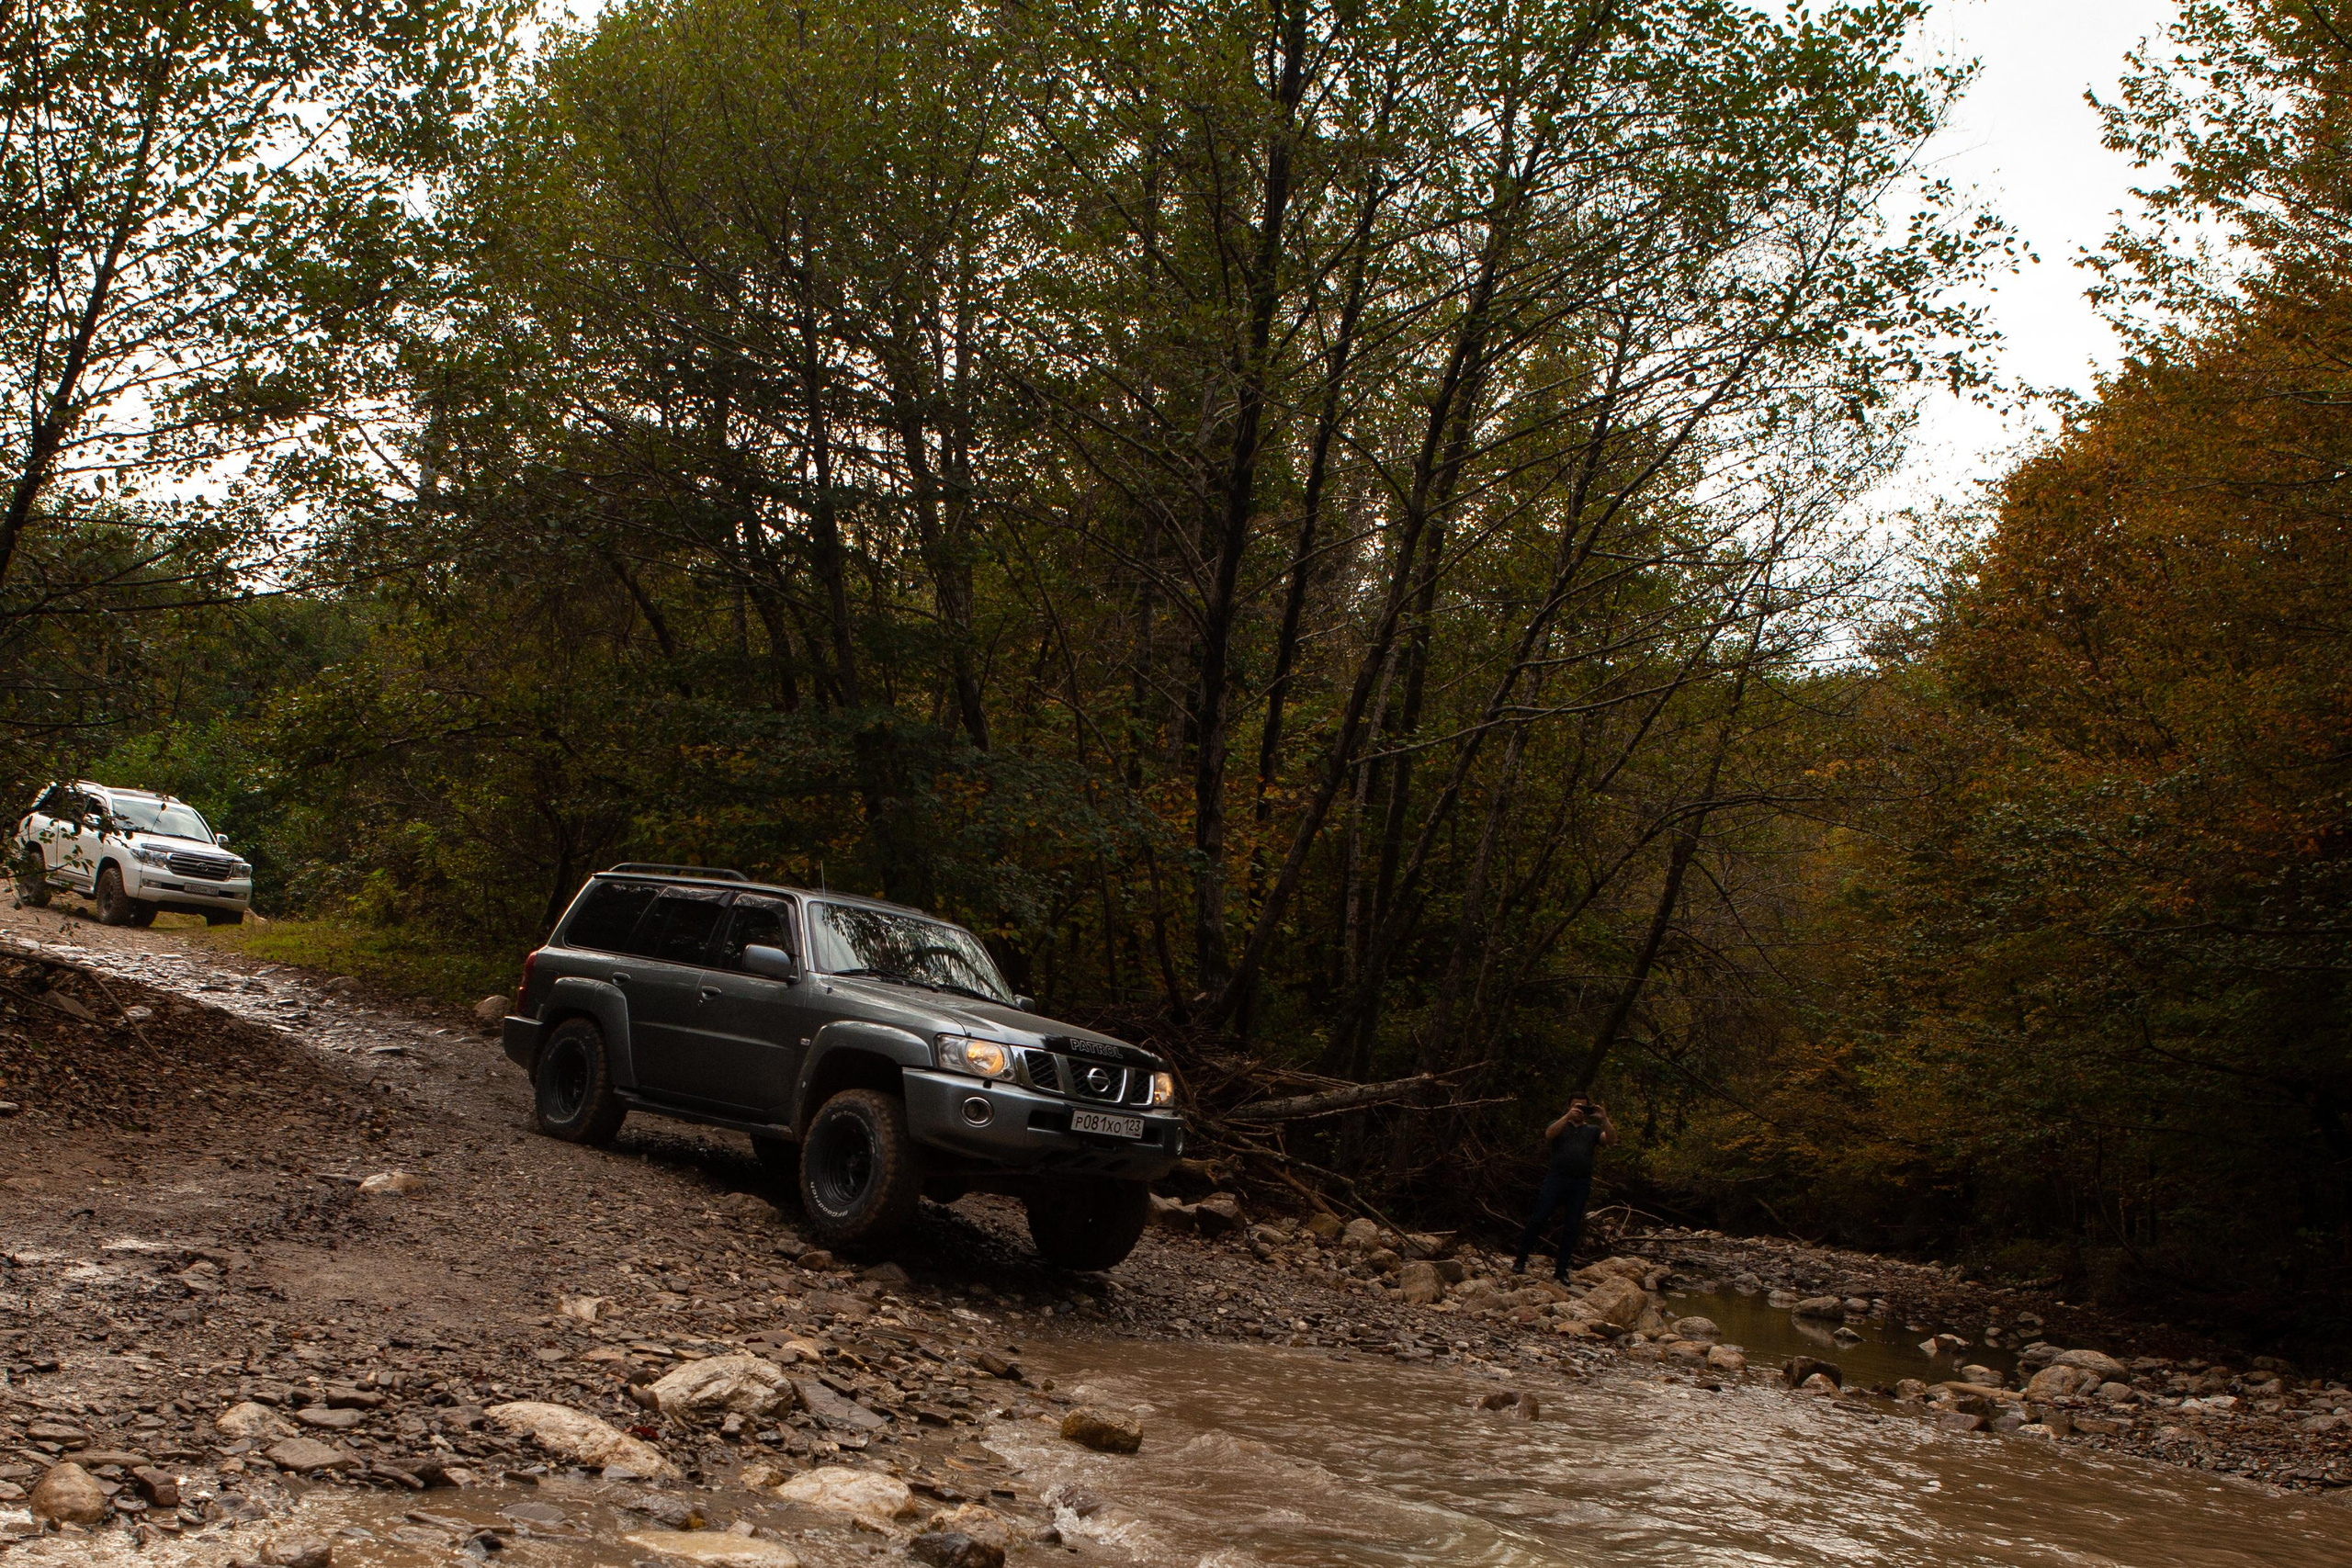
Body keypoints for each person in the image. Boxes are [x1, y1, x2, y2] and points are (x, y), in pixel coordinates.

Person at [1513, 1095, 1612, 1280]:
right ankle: (1520, 1260)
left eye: (1583, 1107)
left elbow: (1611, 1140)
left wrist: (1604, 1119)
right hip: (1556, 1179)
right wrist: (1567, 1117)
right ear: (1569, 1106)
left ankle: (1561, 1270)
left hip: (1580, 1183)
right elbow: (1549, 1135)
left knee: (1572, 1226)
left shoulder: (1592, 1130)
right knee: (1538, 1218)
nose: (1579, 1110)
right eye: (1576, 1106)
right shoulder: (1560, 1124)